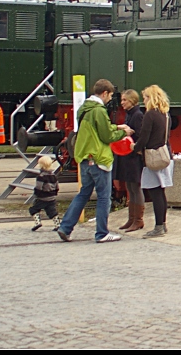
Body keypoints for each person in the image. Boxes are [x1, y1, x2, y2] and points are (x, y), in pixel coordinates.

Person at [56, 79, 132, 243]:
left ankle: (65, 227)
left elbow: (97, 129)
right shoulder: (98, 110)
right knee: (104, 197)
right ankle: (102, 233)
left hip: (84, 157)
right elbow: (106, 136)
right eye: (110, 95)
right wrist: (124, 133)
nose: (110, 99)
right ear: (104, 93)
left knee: (83, 193)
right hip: (98, 157)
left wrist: (116, 127)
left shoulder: (84, 109)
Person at [132, 84, 173, 239]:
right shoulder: (165, 114)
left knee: (155, 192)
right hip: (164, 154)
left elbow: (144, 136)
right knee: (161, 192)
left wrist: (135, 147)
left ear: (151, 98)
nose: (144, 100)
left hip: (152, 156)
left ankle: (158, 227)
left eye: (145, 97)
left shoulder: (150, 115)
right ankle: (163, 223)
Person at [115, 89, 145, 233]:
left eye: (124, 100)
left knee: (135, 187)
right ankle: (131, 218)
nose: (122, 103)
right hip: (128, 156)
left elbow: (140, 136)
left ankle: (138, 219)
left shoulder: (137, 116)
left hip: (134, 157)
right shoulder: (130, 115)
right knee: (130, 187)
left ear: (132, 101)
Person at [29, 155, 60, 231]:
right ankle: (58, 224)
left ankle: (38, 222)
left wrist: (36, 195)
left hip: (43, 197)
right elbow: (57, 187)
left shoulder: (41, 176)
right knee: (52, 211)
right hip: (52, 197)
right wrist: (54, 193)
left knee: (34, 209)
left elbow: (39, 187)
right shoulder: (53, 176)